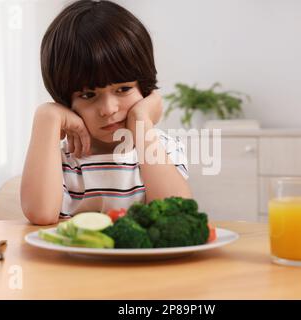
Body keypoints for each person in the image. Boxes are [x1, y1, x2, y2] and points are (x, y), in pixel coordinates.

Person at [21, 0, 191, 225]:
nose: (109, 109)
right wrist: (46, 117)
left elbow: (176, 216)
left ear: (144, 87)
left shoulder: (164, 149)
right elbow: (40, 214)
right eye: (88, 95)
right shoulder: (60, 160)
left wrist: (141, 119)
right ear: (65, 101)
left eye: (123, 89)